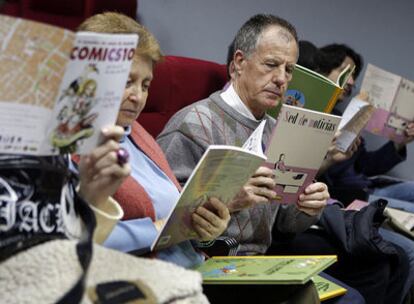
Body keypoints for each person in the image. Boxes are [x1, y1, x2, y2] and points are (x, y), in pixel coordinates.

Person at [157, 15, 409, 304]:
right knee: (349, 299)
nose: (281, 79)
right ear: (239, 62)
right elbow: (163, 226)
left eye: (289, 70)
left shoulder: (275, 130)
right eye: (271, 65)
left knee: (370, 273)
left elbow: (285, 225)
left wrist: (307, 206)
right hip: (206, 265)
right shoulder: (194, 124)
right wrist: (228, 199)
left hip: (259, 263)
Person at [77, 12, 231, 269]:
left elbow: (180, 219)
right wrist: (158, 229)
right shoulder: (70, 145)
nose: (137, 96)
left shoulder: (138, 134)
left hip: (192, 270)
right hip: (138, 281)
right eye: (127, 82)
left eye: (145, 85)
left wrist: (206, 228)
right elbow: (74, 235)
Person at [298, 40, 414, 302]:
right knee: (403, 248)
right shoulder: (312, 115)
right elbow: (321, 178)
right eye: (344, 73)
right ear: (321, 72)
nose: (350, 82)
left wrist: (397, 145)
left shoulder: (343, 114)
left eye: (353, 76)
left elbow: (364, 166)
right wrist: (330, 158)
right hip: (345, 196)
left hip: (361, 186)